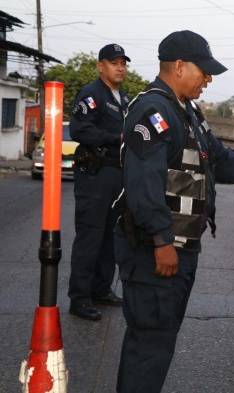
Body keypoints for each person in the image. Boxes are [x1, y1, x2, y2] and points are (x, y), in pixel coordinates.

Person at [113, 30, 234, 393]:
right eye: (204, 71)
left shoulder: (186, 111)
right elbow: (143, 186)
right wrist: (161, 240)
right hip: (155, 252)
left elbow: (218, 159)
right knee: (150, 344)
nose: (209, 79)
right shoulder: (153, 111)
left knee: (158, 341)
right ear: (180, 66)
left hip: (178, 249)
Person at [68, 44, 131, 321]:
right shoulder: (92, 94)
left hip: (117, 175)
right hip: (96, 174)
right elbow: (80, 128)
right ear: (100, 66)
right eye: (114, 63)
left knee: (110, 237)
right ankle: (79, 299)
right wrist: (113, 138)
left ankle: (101, 289)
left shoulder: (124, 98)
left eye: (123, 63)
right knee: (90, 237)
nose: (120, 67)